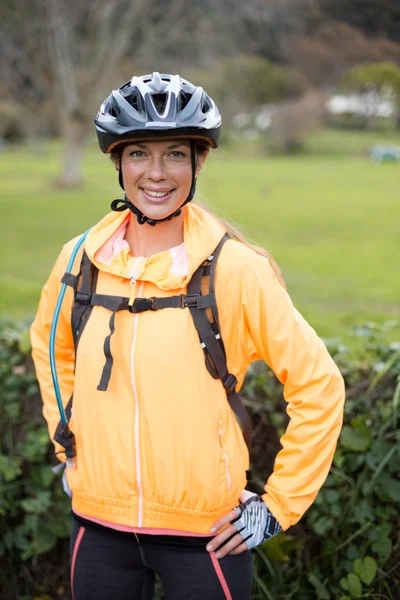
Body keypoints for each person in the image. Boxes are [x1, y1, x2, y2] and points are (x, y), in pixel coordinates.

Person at [30, 72, 346, 600]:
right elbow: (51, 349)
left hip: (205, 536)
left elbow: (319, 386)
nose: (156, 173)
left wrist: (278, 506)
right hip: (97, 524)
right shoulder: (79, 258)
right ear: (117, 162)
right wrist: (68, 447)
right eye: (138, 154)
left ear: (199, 162)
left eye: (175, 154)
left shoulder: (237, 270)